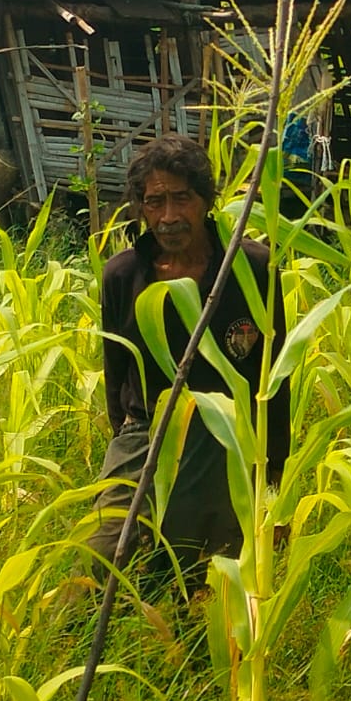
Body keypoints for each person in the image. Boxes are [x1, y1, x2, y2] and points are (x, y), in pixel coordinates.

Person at [90, 133, 290, 588]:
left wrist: (274, 469)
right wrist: (125, 435)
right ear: (141, 208)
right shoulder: (123, 275)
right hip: (148, 429)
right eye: (155, 202)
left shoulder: (252, 268)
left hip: (224, 430)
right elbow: (116, 371)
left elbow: (273, 373)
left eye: (182, 199)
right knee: (104, 555)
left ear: (206, 201)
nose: (169, 217)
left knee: (196, 567)